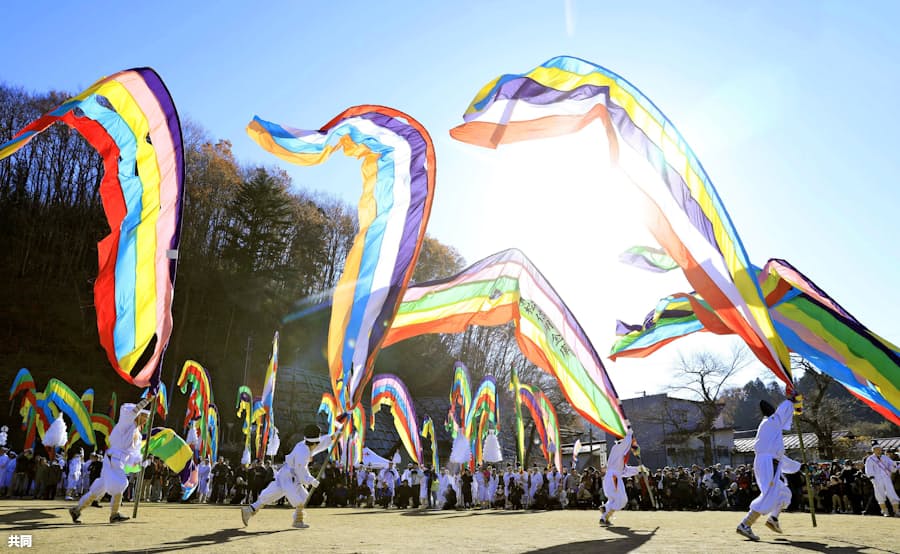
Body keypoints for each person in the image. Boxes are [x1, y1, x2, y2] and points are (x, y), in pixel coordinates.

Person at [69, 395, 154, 523]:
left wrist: (142, 462)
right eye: (144, 417)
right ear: (138, 416)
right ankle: (114, 514)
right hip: (113, 459)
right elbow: (134, 411)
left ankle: (77, 510)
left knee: (98, 489)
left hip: (117, 461)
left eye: (147, 418)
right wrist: (147, 400)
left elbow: (133, 455)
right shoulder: (126, 424)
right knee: (121, 483)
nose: (146, 420)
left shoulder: (137, 435)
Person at [241, 424, 336, 529]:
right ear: (314, 443)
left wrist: (333, 436)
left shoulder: (304, 444)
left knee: (270, 495)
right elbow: (301, 470)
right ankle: (298, 521)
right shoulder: (303, 452)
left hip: (287, 475)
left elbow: (321, 442)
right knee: (300, 499)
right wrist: (310, 480)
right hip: (290, 478)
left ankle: (249, 510)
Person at [736, 394, 801, 541]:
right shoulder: (771, 421)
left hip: (769, 462)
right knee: (770, 494)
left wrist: (796, 466)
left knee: (784, 492)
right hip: (767, 463)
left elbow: (778, 455)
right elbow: (782, 413)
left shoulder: (771, 427)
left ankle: (773, 519)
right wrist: (791, 401)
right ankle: (745, 524)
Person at [599, 427, 641, 526]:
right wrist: (629, 432)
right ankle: (605, 514)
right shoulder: (619, 447)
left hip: (612, 477)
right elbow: (628, 442)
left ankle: (604, 513)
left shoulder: (618, 452)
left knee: (613, 500)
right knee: (622, 500)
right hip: (613, 478)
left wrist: (638, 469)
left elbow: (624, 471)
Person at [865, 440, 899, 517]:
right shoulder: (870, 459)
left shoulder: (885, 458)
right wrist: (872, 479)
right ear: (873, 450)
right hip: (877, 479)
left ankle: (896, 511)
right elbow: (868, 470)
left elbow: (892, 469)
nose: (878, 451)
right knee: (880, 495)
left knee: (892, 494)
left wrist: (894, 466)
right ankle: (884, 511)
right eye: (876, 449)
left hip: (886, 478)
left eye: (879, 449)